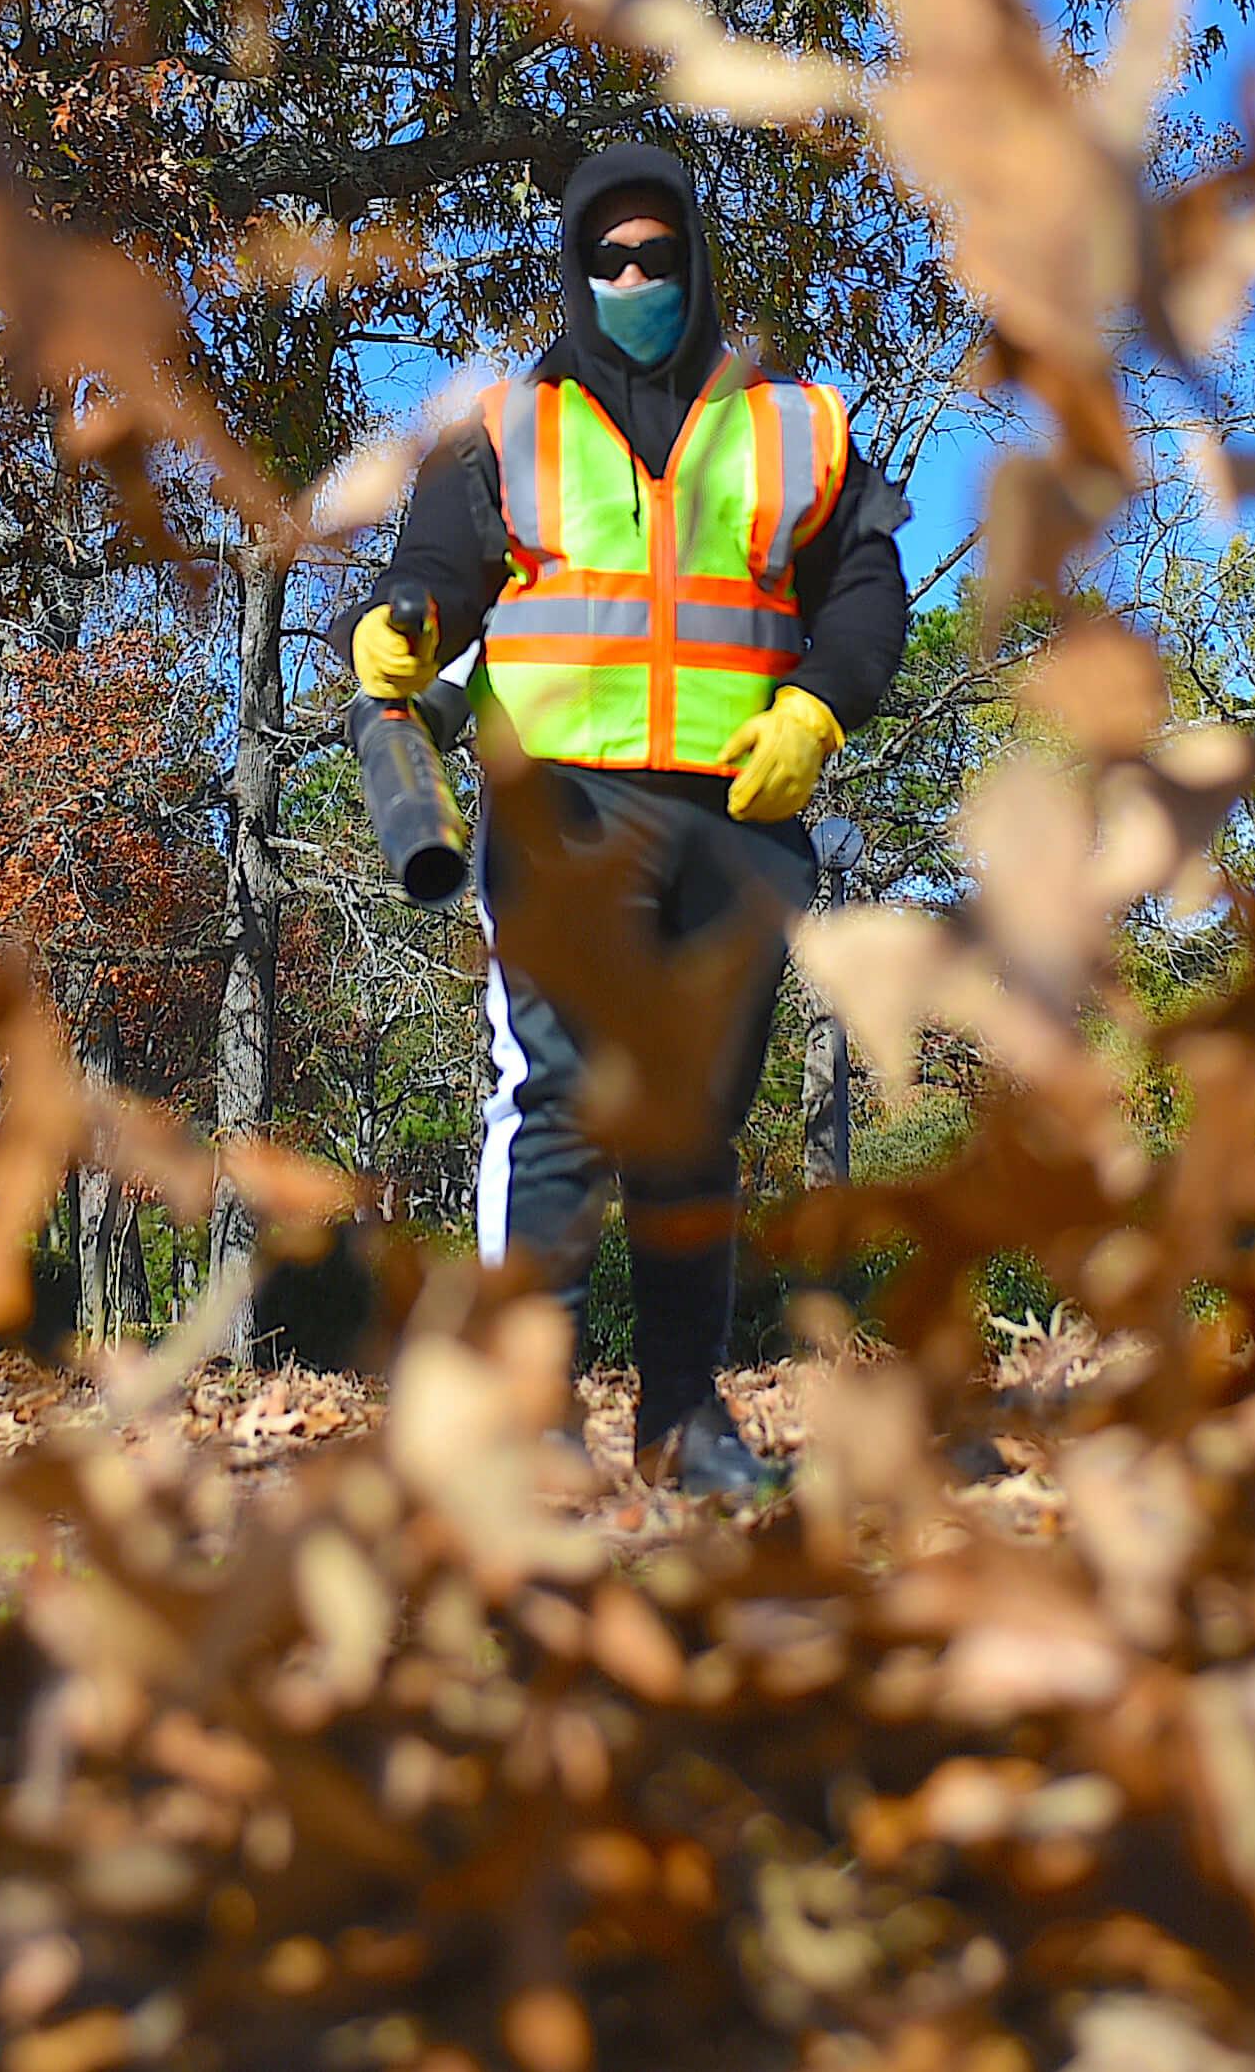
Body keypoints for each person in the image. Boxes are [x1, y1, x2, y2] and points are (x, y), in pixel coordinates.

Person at [349, 142, 908, 1500]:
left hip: (740, 808)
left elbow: (867, 591)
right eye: (609, 259)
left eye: (658, 257)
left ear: (696, 263)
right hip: (564, 810)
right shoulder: (506, 426)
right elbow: (435, 569)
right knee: (551, 1101)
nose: (635, 279)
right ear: (574, 267)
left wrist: (819, 711)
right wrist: (406, 627)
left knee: (691, 1124)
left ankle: (680, 1420)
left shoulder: (796, 421)